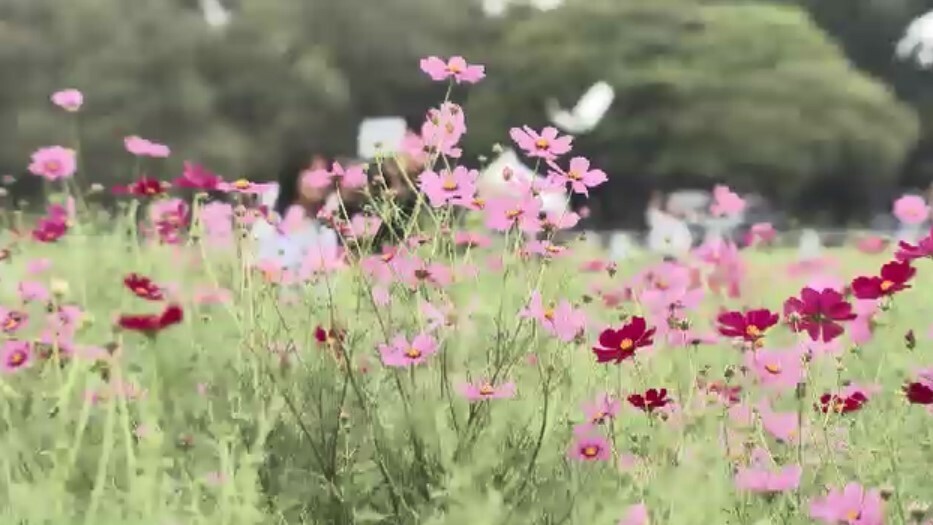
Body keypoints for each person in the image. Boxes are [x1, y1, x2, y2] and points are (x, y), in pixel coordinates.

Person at [254, 153, 338, 272]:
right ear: (294, 175)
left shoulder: (325, 232)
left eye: (325, 172)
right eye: (312, 170)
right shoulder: (269, 224)